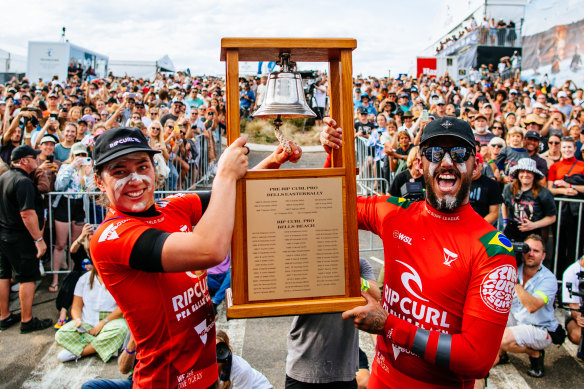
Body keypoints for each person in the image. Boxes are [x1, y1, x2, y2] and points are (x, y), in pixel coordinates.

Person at [89, 127, 300, 388]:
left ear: (154, 169)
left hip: (207, 372)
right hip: (166, 381)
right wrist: (224, 173)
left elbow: (235, 196)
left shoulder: (173, 207)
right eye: (120, 171)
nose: (135, 179)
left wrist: (272, 161)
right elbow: (209, 249)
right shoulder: (111, 236)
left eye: (143, 167)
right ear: (100, 181)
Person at [321, 116, 516, 388]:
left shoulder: (494, 251)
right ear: (420, 163)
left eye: (459, 153)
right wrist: (334, 155)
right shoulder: (394, 212)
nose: (446, 162)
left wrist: (388, 326)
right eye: (435, 152)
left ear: (475, 166)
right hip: (382, 377)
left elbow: (478, 359)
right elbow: (331, 204)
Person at [285, 258, 379, 389]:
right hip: (303, 365)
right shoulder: (306, 261)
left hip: (343, 370)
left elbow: (375, 295)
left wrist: (351, 277)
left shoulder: (359, 264)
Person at [0, 145, 52, 333]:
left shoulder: (4, 177)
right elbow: (27, 214)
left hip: (5, 235)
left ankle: (4, 316)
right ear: (23, 160)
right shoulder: (23, 182)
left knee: (4, 274)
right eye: (33, 157)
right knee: (27, 277)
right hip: (21, 237)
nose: (37, 160)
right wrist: (39, 240)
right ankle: (27, 320)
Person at [497, 234, 560, 378]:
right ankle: (502, 353)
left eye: (536, 251)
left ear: (543, 256)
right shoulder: (516, 268)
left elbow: (532, 306)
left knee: (502, 339)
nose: (531, 254)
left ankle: (534, 353)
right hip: (518, 319)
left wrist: (516, 283)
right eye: (527, 249)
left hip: (540, 329)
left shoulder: (548, 279)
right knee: (489, 324)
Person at [55, 259, 128, 363]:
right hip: (88, 325)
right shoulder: (84, 279)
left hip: (111, 323)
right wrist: (77, 320)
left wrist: (103, 323)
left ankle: (81, 352)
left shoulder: (119, 277)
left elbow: (122, 308)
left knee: (121, 330)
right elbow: (76, 306)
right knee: (61, 334)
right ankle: (106, 347)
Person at [51, 142, 93, 292]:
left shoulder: (87, 169)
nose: (81, 158)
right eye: (78, 155)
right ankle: (55, 278)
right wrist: (71, 167)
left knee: (75, 243)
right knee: (60, 244)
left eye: (83, 155)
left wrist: (88, 176)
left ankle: (71, 274)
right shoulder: (65, 167)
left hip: (79, 206)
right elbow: (59, 185)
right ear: (72, 156)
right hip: (64, 204)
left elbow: (91, 190)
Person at [501, 158, 556, 243]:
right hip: (511, 230)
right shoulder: (509, 188)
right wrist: (505, 221)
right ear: (518, 173)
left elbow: (552, 217)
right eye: (522, 171)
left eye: (529, 172)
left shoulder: (544, 193)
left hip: (533, 233)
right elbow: (504, 204)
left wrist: (533, 225)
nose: (525, 175)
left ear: (534, 175)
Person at [469, 157, 503, 225]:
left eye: (476, 165)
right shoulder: (459, 182)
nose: (473, 168)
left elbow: (494, 213)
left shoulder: (492, 184)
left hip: (483, 226)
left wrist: (478, 226)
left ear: (482, 166)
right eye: (470, 165)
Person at [562, 255, 584, 345]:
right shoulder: (572, 272)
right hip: (580, 314)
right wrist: (580, 318)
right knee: (577, 334)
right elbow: (574, 307)